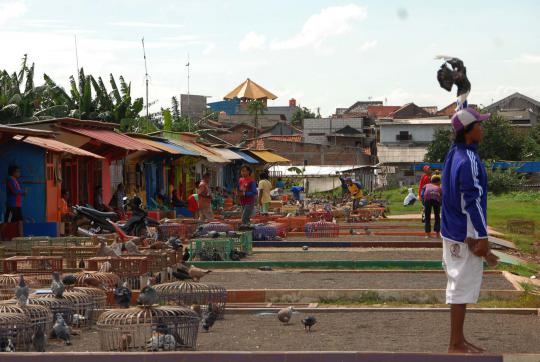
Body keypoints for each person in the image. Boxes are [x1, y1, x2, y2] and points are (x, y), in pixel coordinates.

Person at [441, 107, 497, 354]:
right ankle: (455, 343)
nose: (482, 128)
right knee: (461, 288)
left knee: (457, 284)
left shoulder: (454, 153)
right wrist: (482, 238)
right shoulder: (469, 160)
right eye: (479, 125)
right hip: (466, 231)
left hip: (452, 229)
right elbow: (473, 200)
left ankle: (458, 339)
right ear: (468, 131)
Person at [5, 165, 25, 235]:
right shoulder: (10, 180)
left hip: (17, 204)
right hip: (12, 205)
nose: (19, 173)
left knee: (20, 221)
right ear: (13, 172)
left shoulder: (15, 180)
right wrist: (23, 192)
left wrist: (22, 192)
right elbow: (15, 191)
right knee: (7, 221)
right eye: (18, 172)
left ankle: (21, 236)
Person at [421, 174, 442, 239]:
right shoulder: (439, 188)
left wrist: (424, 204)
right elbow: (442, 197)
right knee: (437, 217)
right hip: (436, 200)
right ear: (437, 182)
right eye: (439, 182)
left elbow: (422, 194)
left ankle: (427, 234)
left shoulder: (426, 185)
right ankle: (437, 234)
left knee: (427, 217)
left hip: (427, 199)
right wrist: (440, 204)